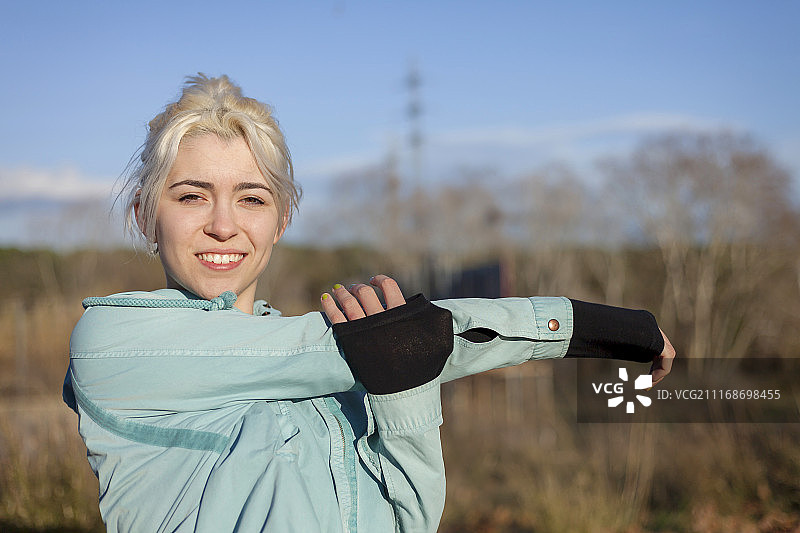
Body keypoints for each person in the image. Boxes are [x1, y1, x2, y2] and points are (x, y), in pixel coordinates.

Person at [63, 74, 676, 533]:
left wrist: (404, 390)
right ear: (145, 215)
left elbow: (412, 520)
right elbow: (402, 341)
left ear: (281, 219)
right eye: (193, 195)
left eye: (251, 199)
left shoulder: (347, 379)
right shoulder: (115, 344)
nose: (224, 225)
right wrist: (599, 327)